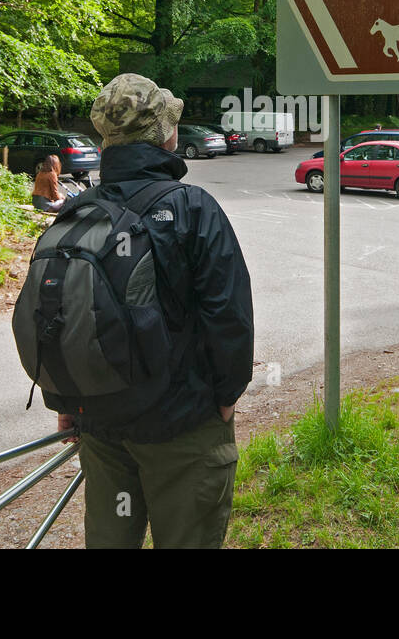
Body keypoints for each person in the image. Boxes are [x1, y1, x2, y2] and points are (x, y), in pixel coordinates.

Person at [49, 73, 254, 549]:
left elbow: (62, 311)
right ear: (167, 135)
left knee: (109, 538)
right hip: (182, 424)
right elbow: (229, 315)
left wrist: (69, 400)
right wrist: (227, 395)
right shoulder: (192, 207)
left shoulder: (80, 209)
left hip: (100, 419)